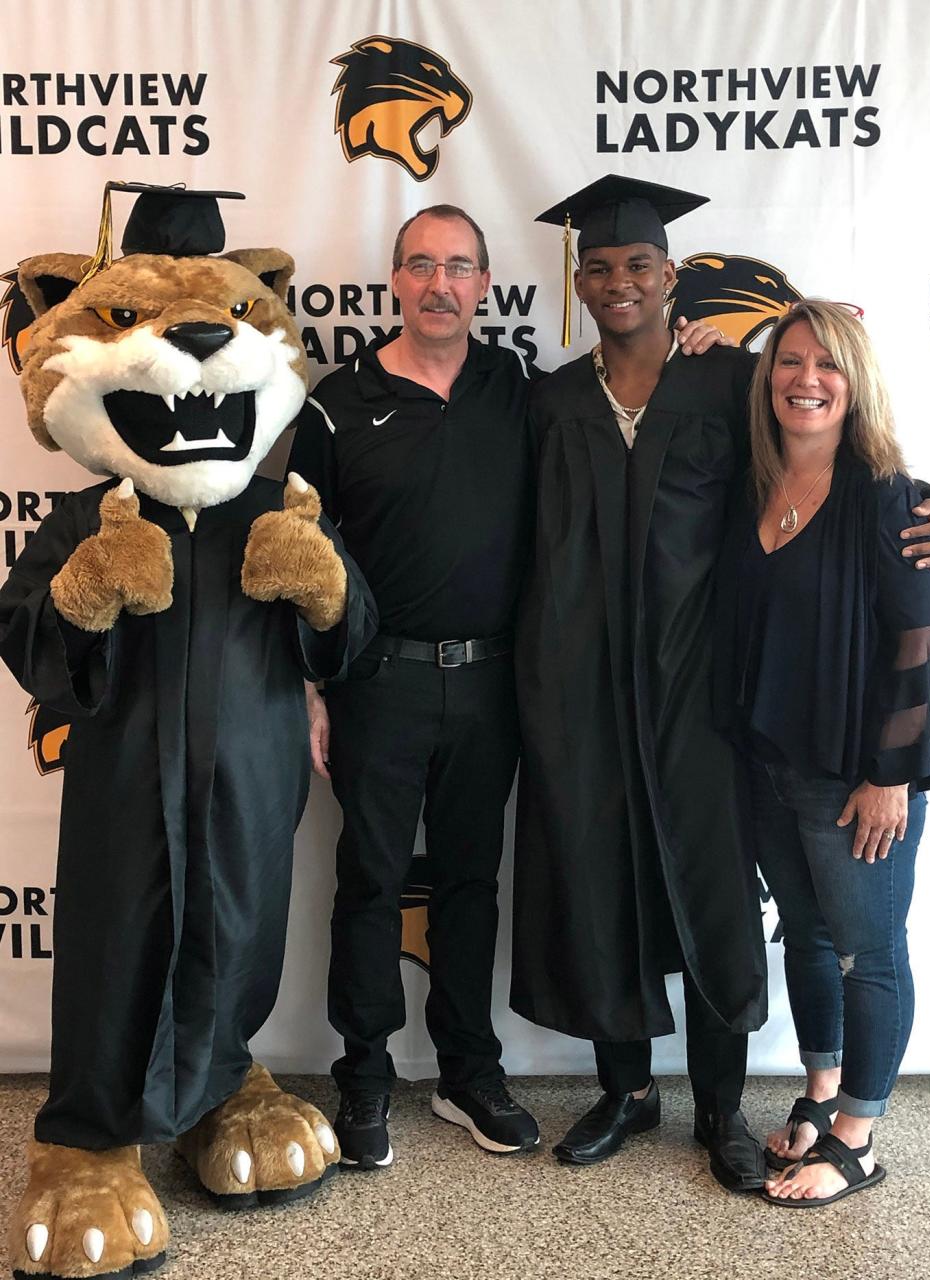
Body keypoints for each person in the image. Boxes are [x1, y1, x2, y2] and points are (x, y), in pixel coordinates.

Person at [510, 176, 930, 1191]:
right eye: (603, 265)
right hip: (580, 694)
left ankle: (719, 1106)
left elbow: (839, 444)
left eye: (640, 263)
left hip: (703, 697)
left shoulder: (730, 384)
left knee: (711, 893)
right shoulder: (550, 401)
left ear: (673, 274)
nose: (621, 280)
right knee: (597, 879)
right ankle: (626, 1089)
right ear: (580, 280)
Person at [286, 205, 541, 1169]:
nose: (441, 284)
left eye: (460, 267)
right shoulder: (334, 402)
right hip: (374, 684)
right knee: (371, 882)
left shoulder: (518, 388)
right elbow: (297, 552)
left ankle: (469, 1073)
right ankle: (363, 1074)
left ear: (484, 284)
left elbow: (630, 413)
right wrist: (310, 687)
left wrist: (713, 348)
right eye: (422, 266)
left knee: (472, 884)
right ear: (394, 281)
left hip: (489, 687)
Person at [712, 300, 930, 1206]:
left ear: (857, 384)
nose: (805, 379)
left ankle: (858, 1133)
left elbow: (917, 643)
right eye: (788, 361)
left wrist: (889, 777)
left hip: (857, 774)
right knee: (807, 938)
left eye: (827, 365)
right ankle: (820, 1092)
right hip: (771, 764)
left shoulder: (895, 498)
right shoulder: (754, 485)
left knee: (869, 952)